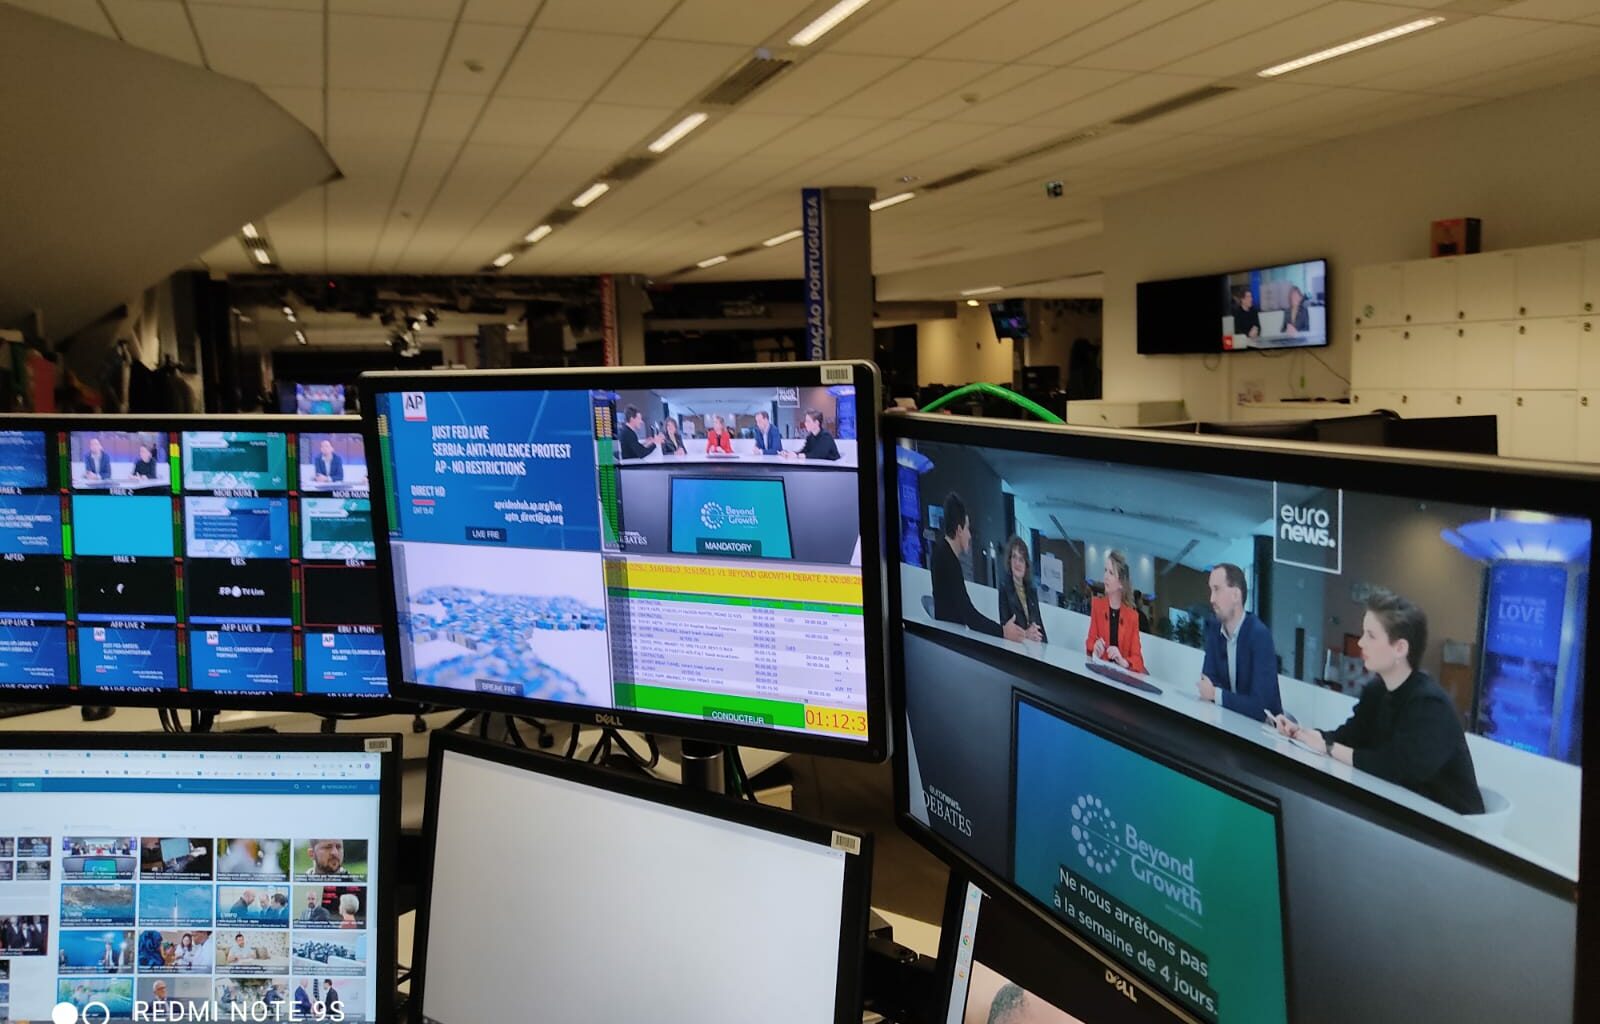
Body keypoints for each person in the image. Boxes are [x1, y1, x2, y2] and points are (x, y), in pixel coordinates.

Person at [1275, 589, 1483, 814]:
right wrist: (1303, 734)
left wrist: (1328, 747)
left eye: (1371, 636)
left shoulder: (1430, 705)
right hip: (1397, 812)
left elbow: (1396, 768)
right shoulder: (1376, 691)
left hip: (1448, 823)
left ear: (1400, 648)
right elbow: (1348, 737)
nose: (1361, 643)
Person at [930, 493, 1029, 642]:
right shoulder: (948, 560)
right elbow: (969, 615)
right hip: (949, 641)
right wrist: (1002, 631)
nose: (970, 535)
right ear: (959, 530)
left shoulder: (942, 553)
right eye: (968, 529)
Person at [1195, 563, 1283, 719]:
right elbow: (1207, 683)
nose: (1211, 599)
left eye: (1217, 589)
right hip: (1227, 722)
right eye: (1211, 590)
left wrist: (1216, 694)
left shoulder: (1259, 635)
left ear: (1236, 595)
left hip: (1262, 729)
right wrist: (1214, 693)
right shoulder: (1215, 630)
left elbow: (1260, 707)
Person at [1085, 551, 1146, 673]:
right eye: (1105, 570)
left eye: (1111, 573)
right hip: (1100, 673)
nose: (1105, 576)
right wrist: (1095, 646)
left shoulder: (1132, 617)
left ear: (1121, 583)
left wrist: (1123, 661)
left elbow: (1138, 660)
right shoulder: (1097, 605)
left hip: (1121, 678)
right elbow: (1089, 642)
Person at [996, 536, 1046, 643]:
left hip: (1034, 646)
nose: (1017, 563)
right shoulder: (1004, 588)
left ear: (1026, 565)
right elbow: (1005, 627)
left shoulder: (1032, 591)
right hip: (1015, 646)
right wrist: (1026, 634)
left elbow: (1039, 625)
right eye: (1014, 557)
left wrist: (1046, 647)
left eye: (1021, 559)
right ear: (1009, 561)